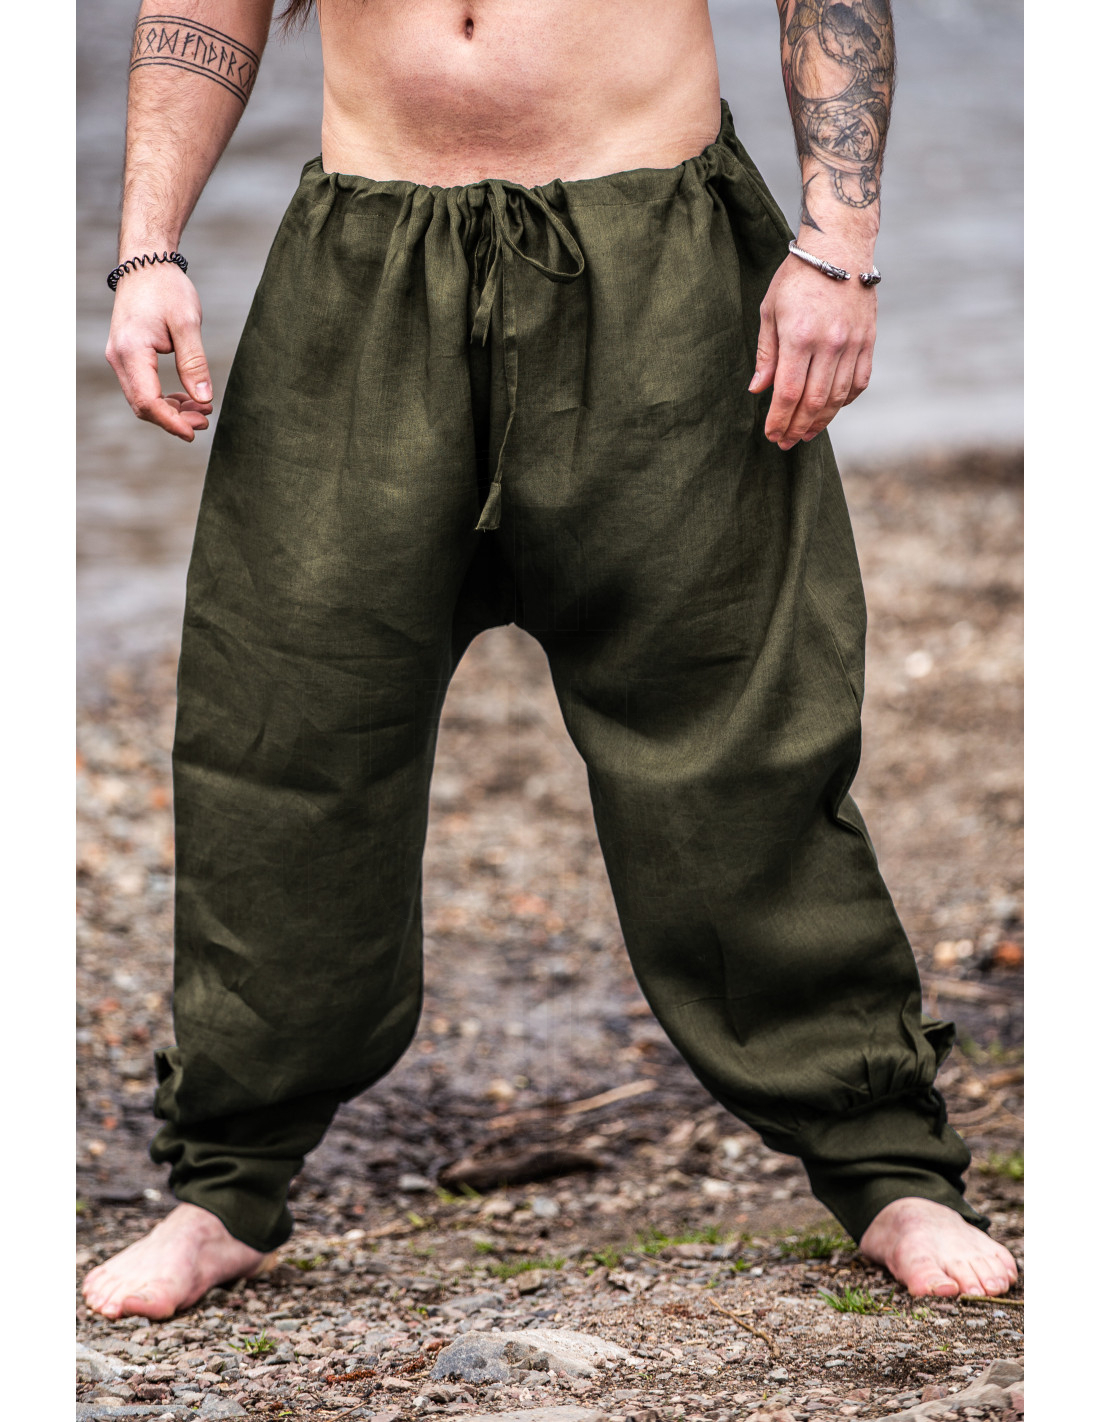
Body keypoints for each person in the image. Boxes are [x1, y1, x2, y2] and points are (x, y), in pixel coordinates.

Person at [83, 0, 1018, 1321]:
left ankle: (885, 1166)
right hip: (364, 254)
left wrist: (839, 246)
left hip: (654, 253)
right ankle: (225, 1187)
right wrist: (148, 249)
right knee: (285, 728)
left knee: (734, 732)